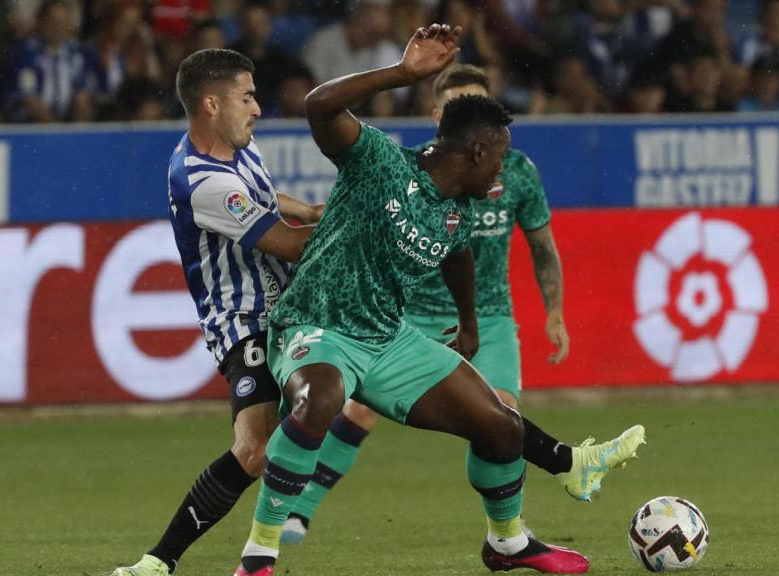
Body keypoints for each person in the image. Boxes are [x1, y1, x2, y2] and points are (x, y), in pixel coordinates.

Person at [234, 24, 645, 576]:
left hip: (386, 339)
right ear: (476, 151)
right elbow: (318, 106)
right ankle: (259, 556)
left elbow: (458, 256)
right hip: (316, 324)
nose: (501, 171)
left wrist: (469, 324)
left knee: (500, 425)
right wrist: (403, 75)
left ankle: (508, 543)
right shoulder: (381, 161)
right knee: (322, 397)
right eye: (497, 158)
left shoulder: (458, 212)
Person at [280, 61, 575, 545]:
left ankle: (506, 529)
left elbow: (540, 245)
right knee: (357, 410)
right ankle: (300, 509)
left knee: (500, 415)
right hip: (408, 307)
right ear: (438, 116)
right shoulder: (411, 168)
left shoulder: (517, 172)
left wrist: (554, 311)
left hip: (490, 310)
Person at [110, 47, 322, 576]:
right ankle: (160, 561)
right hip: (245, 320)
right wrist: (354, 225)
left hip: (291, 308)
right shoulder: (201, 179)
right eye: (247, 97)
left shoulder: (240, 148)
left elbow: (268, 199)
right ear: (211, 103)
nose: (257, 109)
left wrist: (315, 211)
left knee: (310, 412)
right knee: (253, 449)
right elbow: (288, 245)